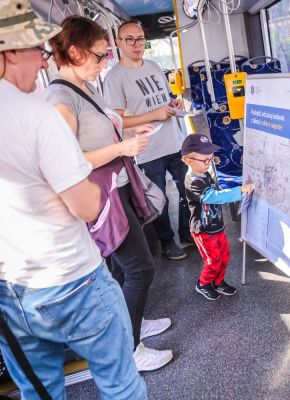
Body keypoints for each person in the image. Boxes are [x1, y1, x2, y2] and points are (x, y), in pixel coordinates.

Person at [0, 1, 147, 398]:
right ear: (11, 52)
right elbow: (83, 204)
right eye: (37, 51)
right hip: (68, 279)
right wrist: (103, 181)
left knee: (41, 393)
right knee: (120, 384)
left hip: (10, 288)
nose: (43, 62)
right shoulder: (38, 114)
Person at [44, 16, 173, 371]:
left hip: (118, 185)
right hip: (101, 196)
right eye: (100, 56)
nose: (104, 63)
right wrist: (123, 149)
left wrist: (128, 135)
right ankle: (130, 349)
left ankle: (132, 321)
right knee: (140, 268)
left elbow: (104, 128)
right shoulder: (60, 98)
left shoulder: (87, 87)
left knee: (121, 268)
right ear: (73, 52)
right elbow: (67, 162)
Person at [103, 20, 191, 261]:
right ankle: (167, 242)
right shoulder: (114, 78)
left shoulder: (153, 66)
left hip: (174, 140)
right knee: (158, 198)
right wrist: (155, 115)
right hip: (146, 149)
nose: (136, 44)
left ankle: (187, 232)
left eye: (140, 38)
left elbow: (162, 100)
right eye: (129, 39)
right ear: (118, 42)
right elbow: (117, 120)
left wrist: (172, 105)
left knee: (188, 189)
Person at [181, 134, 254, 300]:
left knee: (224, 256)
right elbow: (214, 196)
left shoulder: (204, 173)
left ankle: (218, 282)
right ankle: (204, 284)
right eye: (205, 160)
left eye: (210, 159)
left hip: (217, 226)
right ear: (188, 160)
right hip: (203, 230)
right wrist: (239, 191)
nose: (209, 163)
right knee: (213, 260)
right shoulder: (193, 181)